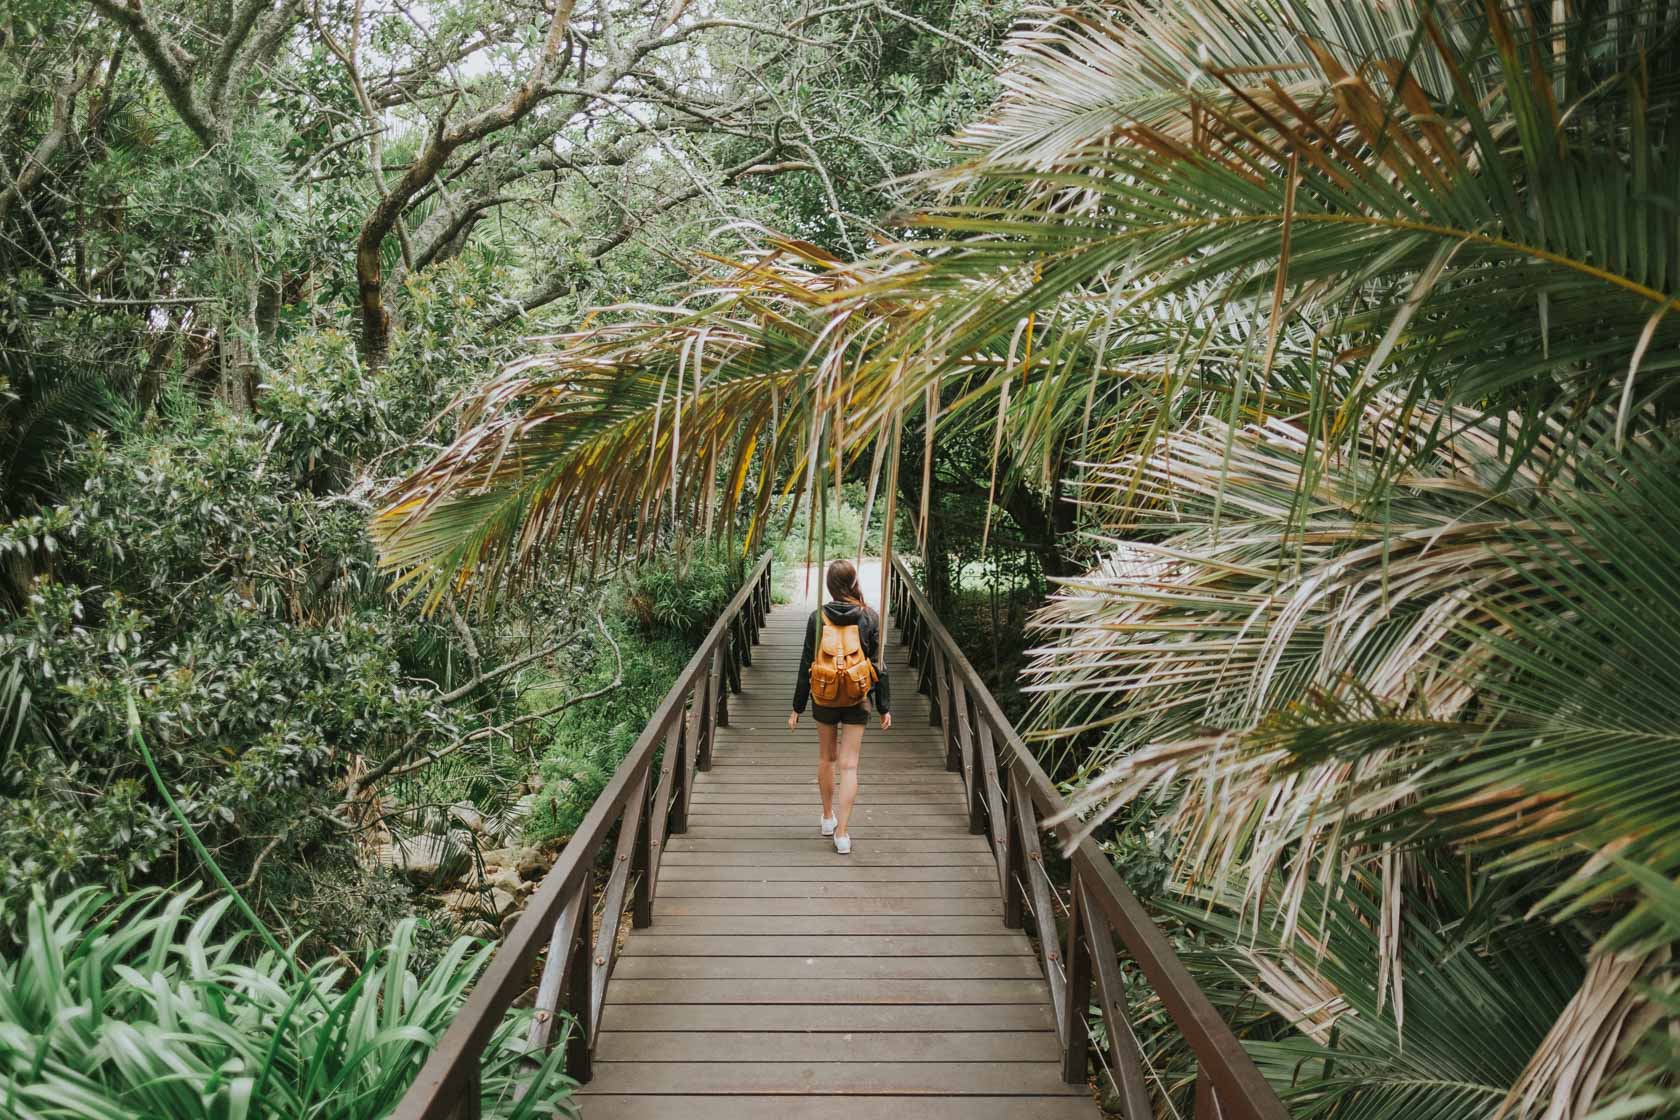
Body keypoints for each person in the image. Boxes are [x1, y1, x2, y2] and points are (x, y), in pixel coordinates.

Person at [788, 559, 892, 854]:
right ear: (854, 582)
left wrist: (797, 706)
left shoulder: (816, 618)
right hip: (858, 698)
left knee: (826, 759)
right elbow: (879, 666)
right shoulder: (869, 617)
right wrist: (884, 706)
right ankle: (843, 834)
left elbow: (806, 662)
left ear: (829, 586)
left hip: (823, 696)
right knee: (849, 765)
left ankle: (826, 817)